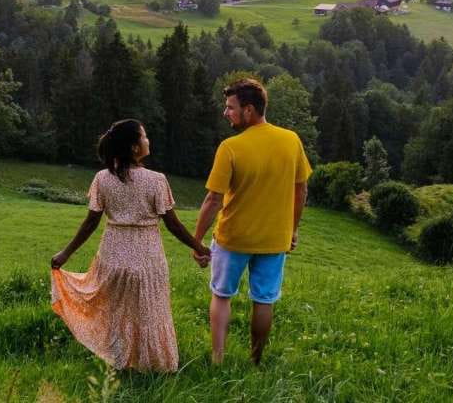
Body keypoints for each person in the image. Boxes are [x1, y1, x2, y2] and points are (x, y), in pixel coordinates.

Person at [50, 119, 210, 372]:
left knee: (117, 314)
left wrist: (65, 253)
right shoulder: (156, 180)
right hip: (147, 257)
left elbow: (91, 222)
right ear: (135, 148)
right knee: (150, 312)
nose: (148, 140)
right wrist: (200, 247)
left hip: (112, 256)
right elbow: (173, 225)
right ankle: (153, 365)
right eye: (144, 137)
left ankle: (119, 363)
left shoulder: (103, 178)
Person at [192, 78, 311, 365]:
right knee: (264, 300)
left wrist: (196, 241)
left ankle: (218, 359)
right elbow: (301, 189)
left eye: (230, 107)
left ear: (248, 110)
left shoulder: (230, 147)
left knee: (221, 295)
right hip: (274, 240)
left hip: (233, 238)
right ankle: (255, 361)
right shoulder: (291, 140)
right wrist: (292, 229)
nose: (225, 113)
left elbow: (213, 200)